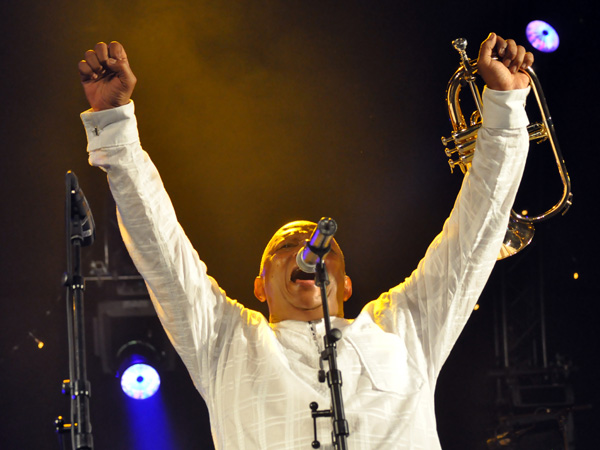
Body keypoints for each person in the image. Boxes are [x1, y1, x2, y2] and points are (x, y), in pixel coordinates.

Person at [78, 33, 533, 449]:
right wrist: (114, 124)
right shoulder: (226, 341)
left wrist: (506, 105)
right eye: (282, 248)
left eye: (325, 248)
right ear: (260, 287)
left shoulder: (403, 328)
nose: (307, 248)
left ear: (347, 285)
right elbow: (162, 250)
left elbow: (473, 240)